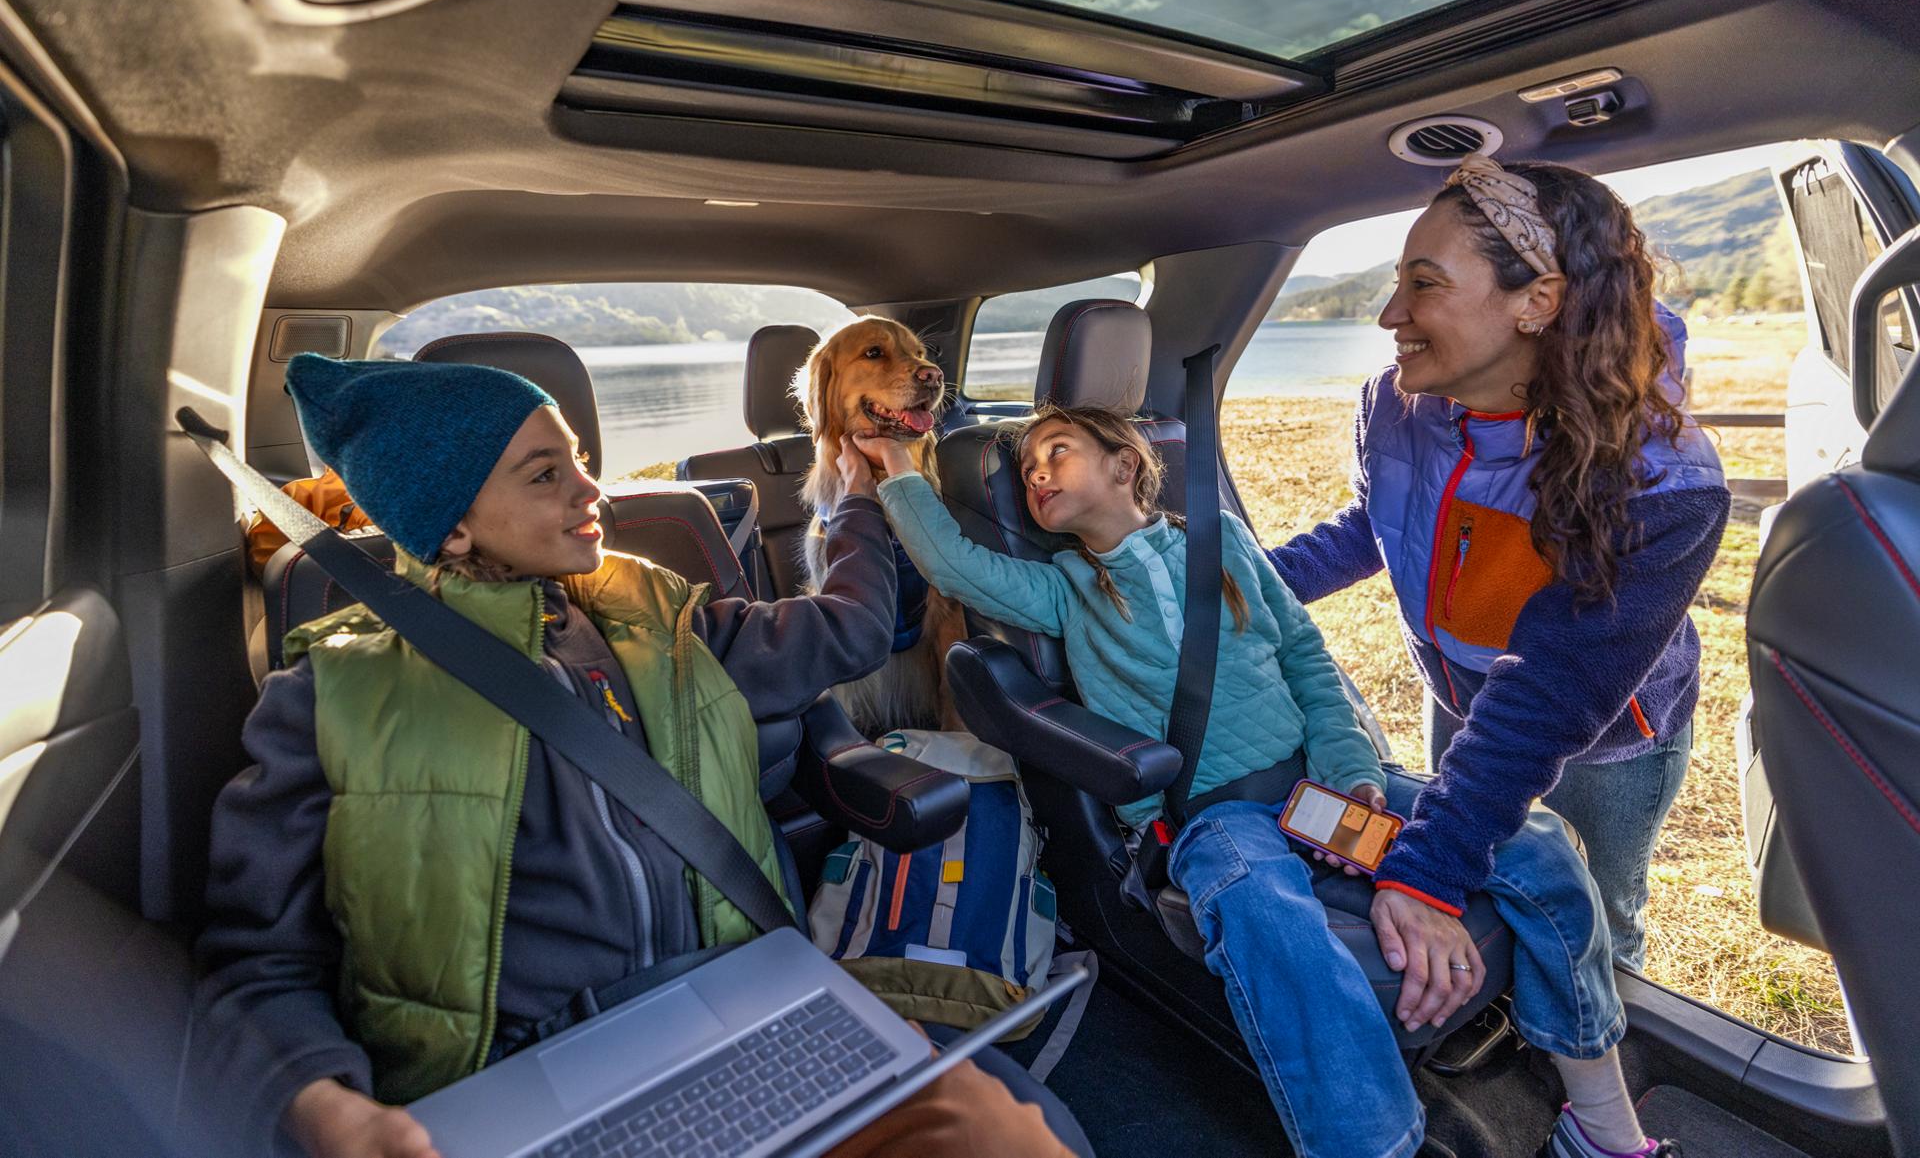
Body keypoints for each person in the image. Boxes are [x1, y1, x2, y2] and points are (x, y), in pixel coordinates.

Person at [193, 354, 1086, 1158]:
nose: (595, 491)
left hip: (749, 1005)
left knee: (1016, 1138)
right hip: (514, 1078)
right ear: (452, 524)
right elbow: (259, 964)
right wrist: (323, 1103)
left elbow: (845, 631)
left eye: (581, 457)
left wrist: (858, 491)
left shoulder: (658, 612)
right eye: (547, 475)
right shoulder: (333, 693)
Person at [851, 406, 1678, 1158]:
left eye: (1057, 451)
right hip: (1209, 816)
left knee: (1534, 842)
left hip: (1317, 784)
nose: (1036, 472)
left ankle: (1598, 1124)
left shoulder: (1225, 545)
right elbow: (955, 564)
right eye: (1026, 466)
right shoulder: (1065, 590)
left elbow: (1307, 660)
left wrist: (1353, 773)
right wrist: (897, 463)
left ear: (1125, 464)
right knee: (1265, 913)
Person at [1269, 156, 1730, 982]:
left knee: (1591, 912)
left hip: (1608, 735)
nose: (1390, 314)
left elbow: (1555, 687)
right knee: (1492, 880)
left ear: (1537, 301)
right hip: (1463, 698)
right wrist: (1242, 585)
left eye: (1424, 283)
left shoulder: (1664, 478)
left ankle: (1602, 1042)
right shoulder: (1395, 404)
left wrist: (1429, 865)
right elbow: (1375, 525)